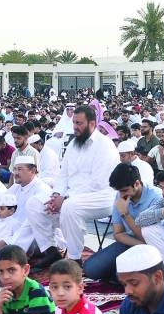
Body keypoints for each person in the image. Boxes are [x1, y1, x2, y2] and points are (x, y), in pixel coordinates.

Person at [45, 105, 119, 265]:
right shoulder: (73, 144)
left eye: (79, 123)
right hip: (72, 196)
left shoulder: (105, 146)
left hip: (102, 197)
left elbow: (98, 183)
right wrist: (56, 194)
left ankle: (74, 258)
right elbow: (63, 174)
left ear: (92, 124)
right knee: (35, 204)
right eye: (74, 123)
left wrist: (64, 199)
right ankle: (50, 250)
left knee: (70, 207)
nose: (75, 127)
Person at [84, 163, 159, 283]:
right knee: (90, 269)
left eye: (124, 190)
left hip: (153, 248)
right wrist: (138, 244)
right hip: (131, 243)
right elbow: (118, 234)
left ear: (137, 183)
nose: (122, 195)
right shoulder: (120, 195)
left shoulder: (155, 198)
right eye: (119, 191)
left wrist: (125, 214)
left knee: (124, 277)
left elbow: (149, 240)